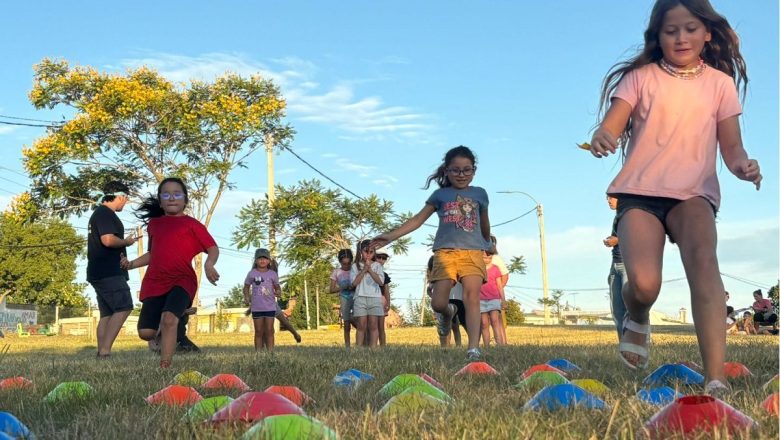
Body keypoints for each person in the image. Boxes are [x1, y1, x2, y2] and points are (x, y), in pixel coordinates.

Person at [589, 0, 761, 394]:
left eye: (689, 29)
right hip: (640, 194)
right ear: (658, 36)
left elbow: (732, 150)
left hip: (694, 195)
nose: (681, 37)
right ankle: (638, 314)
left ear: (707, 34)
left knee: (705, 265)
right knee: (646, 284)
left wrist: (745, 166)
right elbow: (613, 124)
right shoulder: (640, 77)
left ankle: (714, 377)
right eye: (671, 31)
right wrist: (605, 136)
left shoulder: (720, 84)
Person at [371, 146, 491, 361]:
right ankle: (449, 313)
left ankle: (473, 348)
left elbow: (484, 223)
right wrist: (390, 236)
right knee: (438, 303)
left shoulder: (479, 194)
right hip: (445, 254)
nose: (461, 175)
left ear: (474, 171)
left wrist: (487, 242)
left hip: (473, 252)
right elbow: (417, 220)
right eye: (455, 170)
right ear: (446, 171)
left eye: (467, 170)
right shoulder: (440, 195)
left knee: (472, 297)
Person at [121, 177, 219, 368]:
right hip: (155, 281)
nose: (171, 198)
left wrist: (209, 265)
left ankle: (165, 365)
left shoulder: (192, 225)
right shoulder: (154, 225)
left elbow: (213, 248)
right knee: (146, 333)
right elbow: (153, 253)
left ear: (185, 199)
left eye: (177, 194)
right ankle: (173, 316)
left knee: (168, 319)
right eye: (166, 194)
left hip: (182, 279)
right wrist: (131, 264)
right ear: (160, 200)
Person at [87, 181, 137, 358]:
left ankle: (101, 351)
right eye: (126, 199)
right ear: (120, 196)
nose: (125, 203)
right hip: (108, 272)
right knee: (124, 307)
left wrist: (122, 256)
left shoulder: (100, 213)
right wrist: (127, 242)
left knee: (107, 314)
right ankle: (105, 352)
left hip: (100, 271)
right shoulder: (105, 214)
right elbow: (108, 240)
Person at [243, 248, 281, 351]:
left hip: (270, 307)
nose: (262, 260)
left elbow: (278, 287)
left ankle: (270, 353)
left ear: (269, 261)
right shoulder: (252, 273)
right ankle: (258, 354)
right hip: (257, 307)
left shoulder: (272, 274)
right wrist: (246, 297)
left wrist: (278, 292)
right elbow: (246, 287)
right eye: (259, 258)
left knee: (269, 330)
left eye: (265, 258)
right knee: (258, 331)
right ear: (255, 261)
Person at [350, 240, 385, 348]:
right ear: (361, 251)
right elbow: (354, 283)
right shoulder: (355, 266)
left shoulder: (377, 266)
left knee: (373, 325)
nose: (368, 254)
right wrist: (364, 269)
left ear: (374, 253)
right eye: (366, 251)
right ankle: (359, 348)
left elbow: (380, 282)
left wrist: (370, 270)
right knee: (361, 325)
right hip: (360, 298)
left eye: (371, 252)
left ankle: (373, 348)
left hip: (374, 298)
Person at [604, 196, 629, 341]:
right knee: (617, 311)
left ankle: (639, 347)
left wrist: (617, 240)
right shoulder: (617, 217)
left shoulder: (630, 214)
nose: (608, 201)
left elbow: (638, 236)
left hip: (628, 265)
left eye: (611, 197)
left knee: (632, 309)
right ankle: (624, 346)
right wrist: (612, 240)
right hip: (615, 264)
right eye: (606, 198)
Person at [426, 256, 465, 347]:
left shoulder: (456, 276)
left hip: (454, 302)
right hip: (443, 303)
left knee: (455, 326)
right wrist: (435, 297)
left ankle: (458, 345)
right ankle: (445, 346)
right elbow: (429, 290)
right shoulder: (435, 280)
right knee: (444, 326)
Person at [480, 251, 506, 347]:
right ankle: (486, 346)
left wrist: (503, 300)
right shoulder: (479, 269)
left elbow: (499, 285)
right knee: (484, 323)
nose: (487, 260)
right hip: (481, 299)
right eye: (484, 258)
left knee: (495, 320)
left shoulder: (495, 268)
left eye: (489, 258)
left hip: (494, 298)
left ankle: (499, 345)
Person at [329, 249, 355, 347]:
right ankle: (347, 345)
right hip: (344, 298)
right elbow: (331, 289)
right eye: (344, 264)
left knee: (358, 319)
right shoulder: (336, 272)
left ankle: (363, 339)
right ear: (340, 262)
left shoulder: (354, 270)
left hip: (356, 297)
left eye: (348, 264)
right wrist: (341, 288)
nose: (346, 266)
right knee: (347, 323)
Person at [488, 236, 509, 343]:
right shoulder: (480, 257)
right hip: (482, 297)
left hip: (495, 296)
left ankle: (503, 342)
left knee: (498, 320)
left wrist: (498, 288)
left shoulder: (496, 258)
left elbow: (505, 275)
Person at [375, 250, 392, 346]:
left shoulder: (384, 275)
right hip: (369, 299)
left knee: (381, 326)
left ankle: (383, 346)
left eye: (384, 258)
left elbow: (386, 291)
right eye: (379, 257)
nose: (381, 260)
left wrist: (388, 303)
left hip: (381, 301)